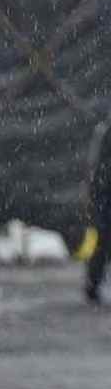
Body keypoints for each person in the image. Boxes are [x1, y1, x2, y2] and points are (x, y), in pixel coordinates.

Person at [87, 124, 111, 304]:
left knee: (103, 240)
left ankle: (93, 284)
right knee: (103, 240)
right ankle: (93, 284)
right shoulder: (105, 131)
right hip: (105, 193)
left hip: (103, 192)